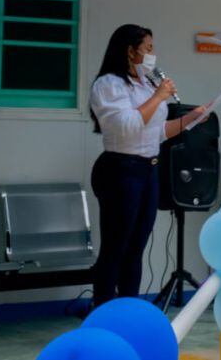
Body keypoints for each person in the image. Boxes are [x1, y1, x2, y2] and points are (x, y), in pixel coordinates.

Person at [88, 24, 207, 308]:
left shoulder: (147, 84)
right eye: (148, 48)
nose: (153, 55)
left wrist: (190, 118)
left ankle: (129, 310)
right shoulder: (109, 84)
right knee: (116, 247)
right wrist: (159, 96)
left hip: (148, 169)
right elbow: (127, 125)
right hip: (120, 170)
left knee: (136, 247)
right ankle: (103, 310)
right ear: (130, 51)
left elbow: (156, 132)